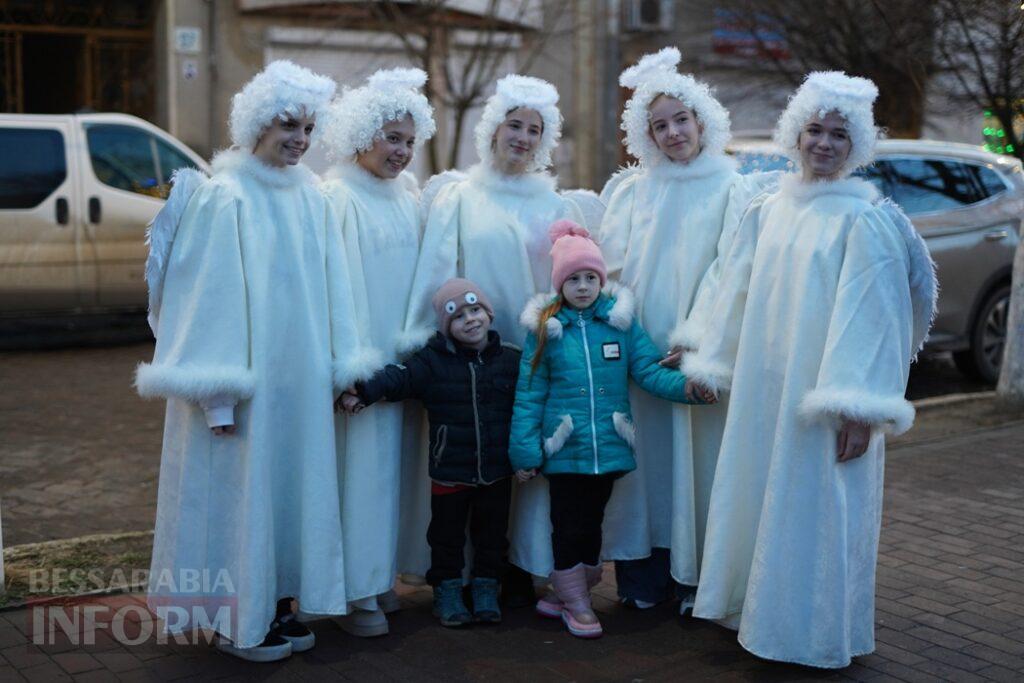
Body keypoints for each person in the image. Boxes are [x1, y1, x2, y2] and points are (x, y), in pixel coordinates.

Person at [683, 71, 937, 667]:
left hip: (822, 398)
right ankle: (754, 609)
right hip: (763, 391)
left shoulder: (865, 220)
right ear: (794, 135)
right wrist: (712, 360)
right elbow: (735, 292)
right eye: (814, 131)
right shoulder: (767, 210)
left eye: (838, 136)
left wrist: (856, 407)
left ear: (858, 147)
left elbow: (873, 320)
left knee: (816, 505)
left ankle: (811, 631)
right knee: (758, 493)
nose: (823, 144)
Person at [137, 60, 379, 662]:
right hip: (248, 390)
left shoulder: (312, 199)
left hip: (298, 386)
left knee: (290, 492)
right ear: (255, 125)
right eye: (287, 124)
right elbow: (208, 298)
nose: (299, 138)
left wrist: (341, 368)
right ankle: (234, 620)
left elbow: (335, 290)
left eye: (307, 127)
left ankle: (278, 603)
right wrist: (217, 393)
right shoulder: (225, 197)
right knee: (242, 497)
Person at [598, 47, 778, 613]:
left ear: (704, 120)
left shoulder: (731, 188)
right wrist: (622, 331)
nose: (673, 133)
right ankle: (639, 573)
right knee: (639, 462)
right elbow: (612, 266)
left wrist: (696, 334)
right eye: (660, 125)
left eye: (682, 119)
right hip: (636, 349)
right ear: (645, 133)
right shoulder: (632, 190)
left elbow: (731, 267)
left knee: (694, 463)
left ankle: (693, 574)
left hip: (688, 350)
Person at [402, 73, 584, 604]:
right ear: (493, 129)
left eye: (534, 129)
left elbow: (565, 282)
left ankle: (518, 565)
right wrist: (427, 345)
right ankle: (455, 572)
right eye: (514, 125)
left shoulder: (553, 205)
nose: (522, 137)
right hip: (467, 360)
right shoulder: (460, 197)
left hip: (528, 358)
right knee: (464, 468)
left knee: (523, 463)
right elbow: (437, 272)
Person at [509, 220, 712, 638]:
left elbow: (649, 371)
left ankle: (566, 593)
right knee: (568, 526)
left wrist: (689, 387)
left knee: (593, 525)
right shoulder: (547, 331)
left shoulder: (621, 325)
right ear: (560, 284)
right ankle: (578, 603)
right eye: (573, 279)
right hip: (565, 448)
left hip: (611, 447)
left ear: (600, 280)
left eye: (590, 278)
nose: (583, 287)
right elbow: (529, 393)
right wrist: (526, 452)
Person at [319, 67, 436, 637]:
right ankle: (356, 589)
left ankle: (382, 574)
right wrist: (350, 365)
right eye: (393, 137)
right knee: (362, 470)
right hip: (365, 362)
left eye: (411, 142)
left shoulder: (404, 195)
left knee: (395, 470)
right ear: (362, 134)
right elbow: (334, 288)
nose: (402, 151)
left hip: (402, 362)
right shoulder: (338, 197)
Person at [339, 279, 521, 627]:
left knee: (492, 535)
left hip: (498, 471)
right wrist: (362, 391)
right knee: (446, 536)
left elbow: (534, 399)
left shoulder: (511, 358)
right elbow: (399, 379)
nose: (470, 320)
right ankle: (447, 591)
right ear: (445, 327)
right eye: (458, 316)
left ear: (489, 313)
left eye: (475, 310)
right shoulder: (433, 361)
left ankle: (486, 588)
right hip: (449, 469)